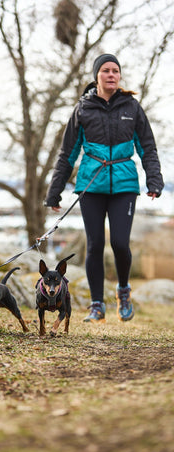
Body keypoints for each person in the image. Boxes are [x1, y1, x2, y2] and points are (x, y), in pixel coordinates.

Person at [44, 53, 164, 323]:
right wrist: (54, 191)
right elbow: (67, 154)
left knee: (120, 243)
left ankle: (123, 292)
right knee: (95, 244)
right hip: (91, 186)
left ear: (119, 77)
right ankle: (96, 305)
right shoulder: (83, 109)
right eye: (106, 71)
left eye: (115, 71)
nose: (111, 75)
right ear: (97, 76)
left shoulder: (132, 107)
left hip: (124, 186)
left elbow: (148, 148)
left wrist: (154, 180)